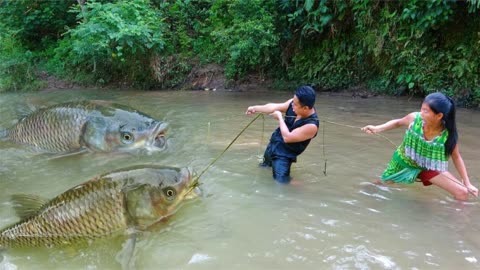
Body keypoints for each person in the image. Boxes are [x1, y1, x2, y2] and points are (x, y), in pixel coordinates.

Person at [361, 92, 478, 200]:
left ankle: (459, 220)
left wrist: (467, 183)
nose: (421, 113)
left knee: (462, 192)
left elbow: (456, 157)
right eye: (422, 109)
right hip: (403, 162)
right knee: (378, 186)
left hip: (429, 166)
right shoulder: (414, 118)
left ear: (439, 116)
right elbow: (398, 122)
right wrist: (377, 128)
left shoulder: (448, 135)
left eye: (426, 111)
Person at [245, 85, 319, 183]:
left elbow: (287, 137)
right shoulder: (294, 103)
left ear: (305, 108)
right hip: (274, 145)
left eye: (295, 105)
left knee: (281, 182)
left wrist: (280, 118)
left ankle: (300, 186)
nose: (292, 106)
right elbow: (273, 107)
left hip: (284, 155)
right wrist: (255, 108)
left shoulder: (311, 125)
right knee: (264, 167)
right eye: (293, 102)